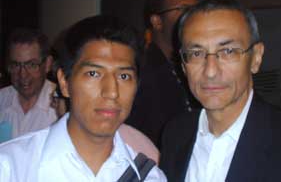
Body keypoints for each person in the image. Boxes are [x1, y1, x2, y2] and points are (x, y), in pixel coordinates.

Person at [0, 15, 167, 181]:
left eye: (124, 76)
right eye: (93, 74)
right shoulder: (11, 167)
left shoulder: (150, 177)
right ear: (64, 82)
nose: (111, 92)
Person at [159, 0, 281, 182]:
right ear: (183, 65)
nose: (210, 71)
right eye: (196, 53)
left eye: (228, 52)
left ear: (256, 58)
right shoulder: (175, 133)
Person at [126, 0, 200, 147]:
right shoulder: (139, 71)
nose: (193, 16)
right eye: (184, 9)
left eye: (196, 9)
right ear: (157, 21)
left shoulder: (194, 65)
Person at [0, 28, 57, 139]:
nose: (23, 75)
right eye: (16, 65)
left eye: (31, 65)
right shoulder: (2, 99)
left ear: (48, 64)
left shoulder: (63, 107)